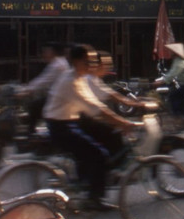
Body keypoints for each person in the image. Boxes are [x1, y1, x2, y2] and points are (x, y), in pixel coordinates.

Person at [43, 44, 140, 210]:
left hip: (68, 123)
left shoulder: (79, 77)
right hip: (60, 127)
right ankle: (94, 200)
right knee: (98, 154)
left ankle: (86, 183)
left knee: (93, 150)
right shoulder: (71, 81)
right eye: (88, 61)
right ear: (76, 61)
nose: (92, 65)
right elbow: (95, 107)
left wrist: (119, 120)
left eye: (94, 61)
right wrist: (123, 123)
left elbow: (98, 103)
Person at [22, 42, 68, 133]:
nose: (43, 54)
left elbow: (43, 81)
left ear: (53, 52)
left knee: (34, 106)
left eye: (46, 52)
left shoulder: (58, 65)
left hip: (60, 99)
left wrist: (26, 90)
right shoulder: (58, 62)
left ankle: (31, 134)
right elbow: (42, 79)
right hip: (59, 96)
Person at [158, 42, 184, 115]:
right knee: (180, 99)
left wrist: (163, 81)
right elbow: (172, 72)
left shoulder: (179, 62)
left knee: (173, 96)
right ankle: (183, 115)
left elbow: (173, 73)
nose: (170, 53)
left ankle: (181, 116)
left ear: (175, 53)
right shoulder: (180, 61)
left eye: (171, 52)